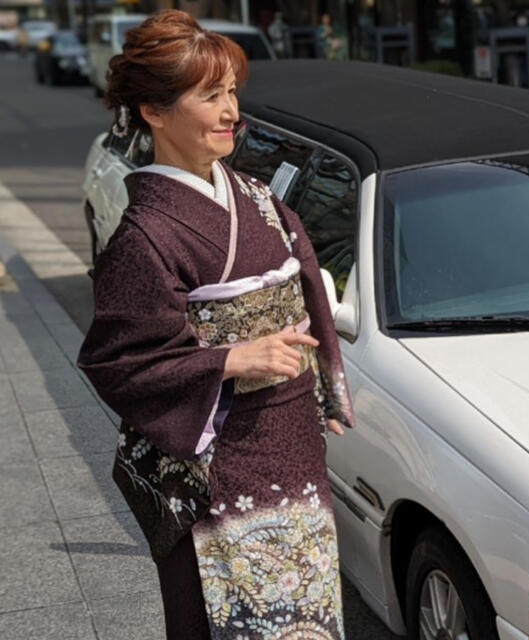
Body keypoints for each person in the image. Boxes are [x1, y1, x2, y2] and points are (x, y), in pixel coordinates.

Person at [77, 10, 354, 640]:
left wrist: (327, 382)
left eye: (231, 91)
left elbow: (306, 273)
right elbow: (115, 362)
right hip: (216, 461)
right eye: (210, 95)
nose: (230, 109)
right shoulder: (145, 233)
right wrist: (230, 360)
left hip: (292, 438)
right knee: (226, 613)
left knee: (306, 602)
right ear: (154, 110)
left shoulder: (255, 194)